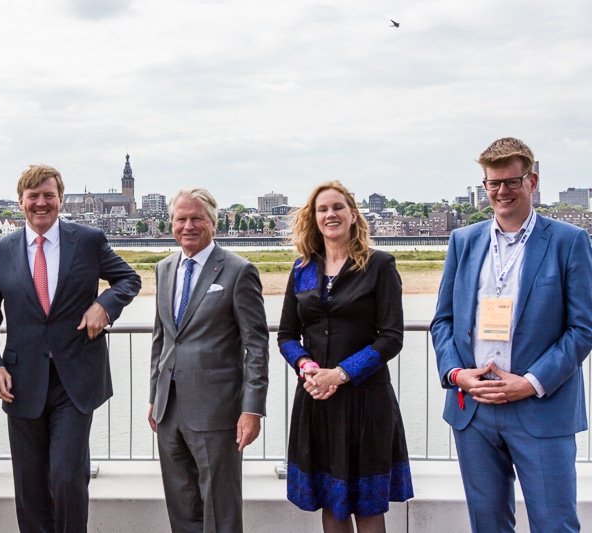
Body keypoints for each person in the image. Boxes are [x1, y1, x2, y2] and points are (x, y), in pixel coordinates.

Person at [431, 137, 592, 532]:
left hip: (541, 409)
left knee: (555, 525)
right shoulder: (464, 241)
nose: (502, 191)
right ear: (484, 186)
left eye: (512, 181)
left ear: (532, 181)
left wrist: (530, 383)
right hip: (475, 411)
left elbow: (582, 328)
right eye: (493, 183)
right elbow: (443, 322)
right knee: (488, 526)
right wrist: (457, 376)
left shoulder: (569, 241)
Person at [0, 165, 141, 533]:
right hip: (20, 382)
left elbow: (129, 278)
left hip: (75, 379)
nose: (41, 203)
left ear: (62, 200)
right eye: (33, 196)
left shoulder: (88, 240)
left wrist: (105, 305)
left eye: (49, 195)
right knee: (30, 487)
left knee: (67, 477)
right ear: (21, 203)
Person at [277, 181, 413, 532]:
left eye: (338, 207)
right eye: (322, 209)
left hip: (366, 401)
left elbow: (391, 338)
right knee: (331, 504)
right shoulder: (302, 269)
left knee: (367, 507)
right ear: (314, 218)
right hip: (317, 400)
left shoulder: (379, 265)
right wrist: (307, 368)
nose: (330, 214)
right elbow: (288, 336)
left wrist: (340, 374)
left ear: (353, 215)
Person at [148, 186, 270, 533]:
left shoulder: (238, 271)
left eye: (196, 218)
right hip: (168, 410)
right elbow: (162, 339)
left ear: (213, 224)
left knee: (221, 509)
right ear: (171, 223)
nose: (188, 225)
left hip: (218, 412)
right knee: (181, 507)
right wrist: (153, 397)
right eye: (181, 219)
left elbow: (256, 347)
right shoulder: (164, 268)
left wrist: (252, 409)